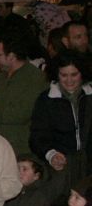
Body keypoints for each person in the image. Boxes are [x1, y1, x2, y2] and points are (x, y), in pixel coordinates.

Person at [29, 50, 92, 193]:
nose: (69, 80)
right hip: (61, 168)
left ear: (82, 73)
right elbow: (37, 136)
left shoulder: (90, 96)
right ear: (56, 75)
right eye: (63, 75)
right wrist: (51, 154)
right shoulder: (46, 100)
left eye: (74, 74)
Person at [0, 33, 48, 155]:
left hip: (20, 148)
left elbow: (20, 114)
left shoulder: (34, 78)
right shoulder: (0, 76)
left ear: (11, 56)